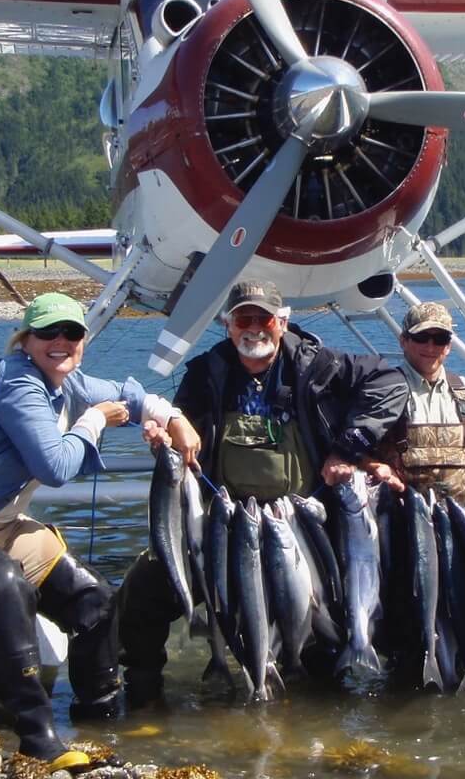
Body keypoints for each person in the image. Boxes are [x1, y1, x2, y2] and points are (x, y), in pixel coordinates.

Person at [0, 293, 179, 772]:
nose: (61, 342)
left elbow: (130, 393)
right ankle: (37, 739)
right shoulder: (17, 384)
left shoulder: (68, 381)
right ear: (25, 340)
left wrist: (171, 418)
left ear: (83, 342)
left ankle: (98, 721)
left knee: (95, 599)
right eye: (48, 333)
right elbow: (56, 465)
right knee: (4, 583)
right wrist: (91, 422)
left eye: (72, 333)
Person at [118, 278, 409, 702]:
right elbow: (187, 431)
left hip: (305, 522)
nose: (254, 327)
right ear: (228, 325)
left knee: (324, 648)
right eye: (243, 318)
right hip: (227, 521)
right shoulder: (206, 372)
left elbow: (391, 385)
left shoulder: (320, 365)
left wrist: (348, 447)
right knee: (143, 591)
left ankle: (324, 705)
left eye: (264, 318)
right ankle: (140, 695)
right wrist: (164, 439)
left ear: (283, 322)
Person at [371, 301, 465, 503]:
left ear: (449, 346)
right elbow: (357, 447)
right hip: (402, 512)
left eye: (440, 339)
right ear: (403, 341)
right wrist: (376, 467)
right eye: (421, 337)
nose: (430, 347)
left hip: (461, 513)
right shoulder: (384, 387)